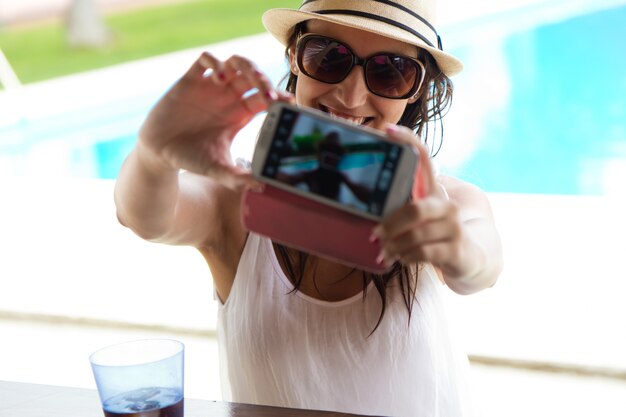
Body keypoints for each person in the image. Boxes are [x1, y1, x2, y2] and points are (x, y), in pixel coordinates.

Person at [114, 0, 503, 415]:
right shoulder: (234, 196)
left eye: (390, 71)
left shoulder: (439, 204)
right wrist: (154, 154)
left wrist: (458, 250)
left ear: (417, 91)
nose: (351, 96)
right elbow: (143, 216)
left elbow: (480, 267)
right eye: (328, 57)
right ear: (294, 59)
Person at [276, 131, 374, 207]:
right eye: (328, 150)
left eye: (336, 152)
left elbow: (363, 194)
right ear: (320, 154)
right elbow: (288, 180)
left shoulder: (339, 176)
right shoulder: (310, 175)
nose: (332, 156)